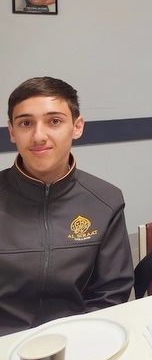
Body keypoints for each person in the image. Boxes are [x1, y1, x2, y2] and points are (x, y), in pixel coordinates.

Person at [0, 77, 134, 336]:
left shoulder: (106, 200)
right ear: (12, 132)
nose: (39, 136)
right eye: (26, 123)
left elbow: (111, 294)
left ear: (77, 127)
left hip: (76, 340)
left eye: (54, 121)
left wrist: (77, 340)